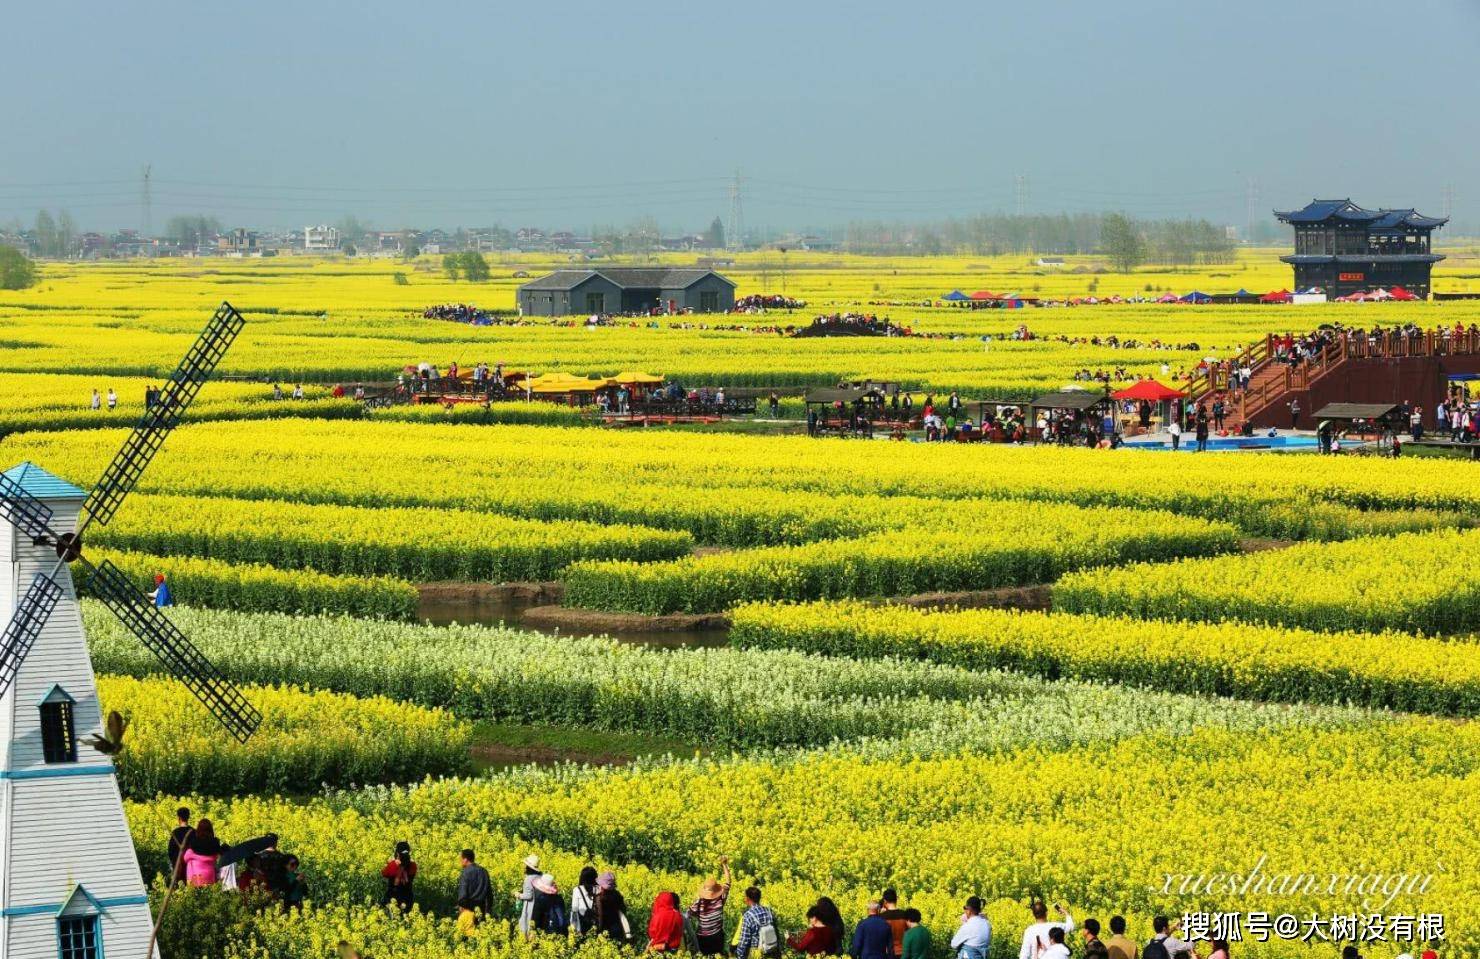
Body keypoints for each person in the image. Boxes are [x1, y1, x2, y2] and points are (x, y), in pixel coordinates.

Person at [688, 857, 733, 955]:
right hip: (717, 936)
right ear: (716, 891)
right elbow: (728, 882)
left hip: (702, 938)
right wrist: (724, 864)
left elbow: (688, 915)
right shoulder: (720, 900)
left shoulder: (699, 902)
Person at [736, 886, 781, 959]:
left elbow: (744, 941)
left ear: (748, 898)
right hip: (772, 951)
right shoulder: (769, 911)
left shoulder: (748, 916)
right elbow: (776, 932)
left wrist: (740, 955)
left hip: (757, 953)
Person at [455, 849, 492, 934]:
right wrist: (487, 912)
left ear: (465, 859)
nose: (459, 861)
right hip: (482, 912)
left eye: (460, 859)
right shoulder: (484, 871)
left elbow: (462, 896)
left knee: (466, 940)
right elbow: (489, 895)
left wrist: (462, 908)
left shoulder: (466, 873)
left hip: (468, 911)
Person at [380, 841, 416, 914]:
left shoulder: (392, 865)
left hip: (393, 896)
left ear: (397, 853)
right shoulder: (413, 865)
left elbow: (384, 873)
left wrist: (391, 862)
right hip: (408, 897)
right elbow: (412, 874)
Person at [595, 870, 632, 943]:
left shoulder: (600, 897)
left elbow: (599, 915)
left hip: (604, 929)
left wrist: (598, 930)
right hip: (617, 928)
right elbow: (623, 910)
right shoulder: (617, 895)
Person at [182, 818, 221, 887]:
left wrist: (192, 855)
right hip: (210, 876)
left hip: (196, 878)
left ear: (199, 829)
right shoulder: (215, 842)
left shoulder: (194, 843)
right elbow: (217, 856)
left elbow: (185, 858)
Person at [516, 854, 541, 936]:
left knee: (527, 927)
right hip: (540, 906)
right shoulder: (540, 876)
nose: (524, 867)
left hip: (531, 907)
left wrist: (519, 895)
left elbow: (529, 896)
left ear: (528, 867)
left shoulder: (529, 879)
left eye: (526, 866)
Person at [571, 865, 599, 936]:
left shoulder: (577, 890)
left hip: (582, 927)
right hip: (597, 927)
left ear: (582, 878)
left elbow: (574, 910)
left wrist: (573, 929)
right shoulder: (599, 889)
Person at [880, 889, 909, 957]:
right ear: (896, 900)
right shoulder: (905, 915)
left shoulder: (881, 917)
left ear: (885, 901)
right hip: (903, 952)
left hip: (888, 953)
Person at [166, 807, 192, 878]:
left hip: (178, 866)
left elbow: (170, 851)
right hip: (191, 867)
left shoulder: (175, 832)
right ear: (188, 817)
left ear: (179, 818)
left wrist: (174, 863)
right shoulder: (194, 832)